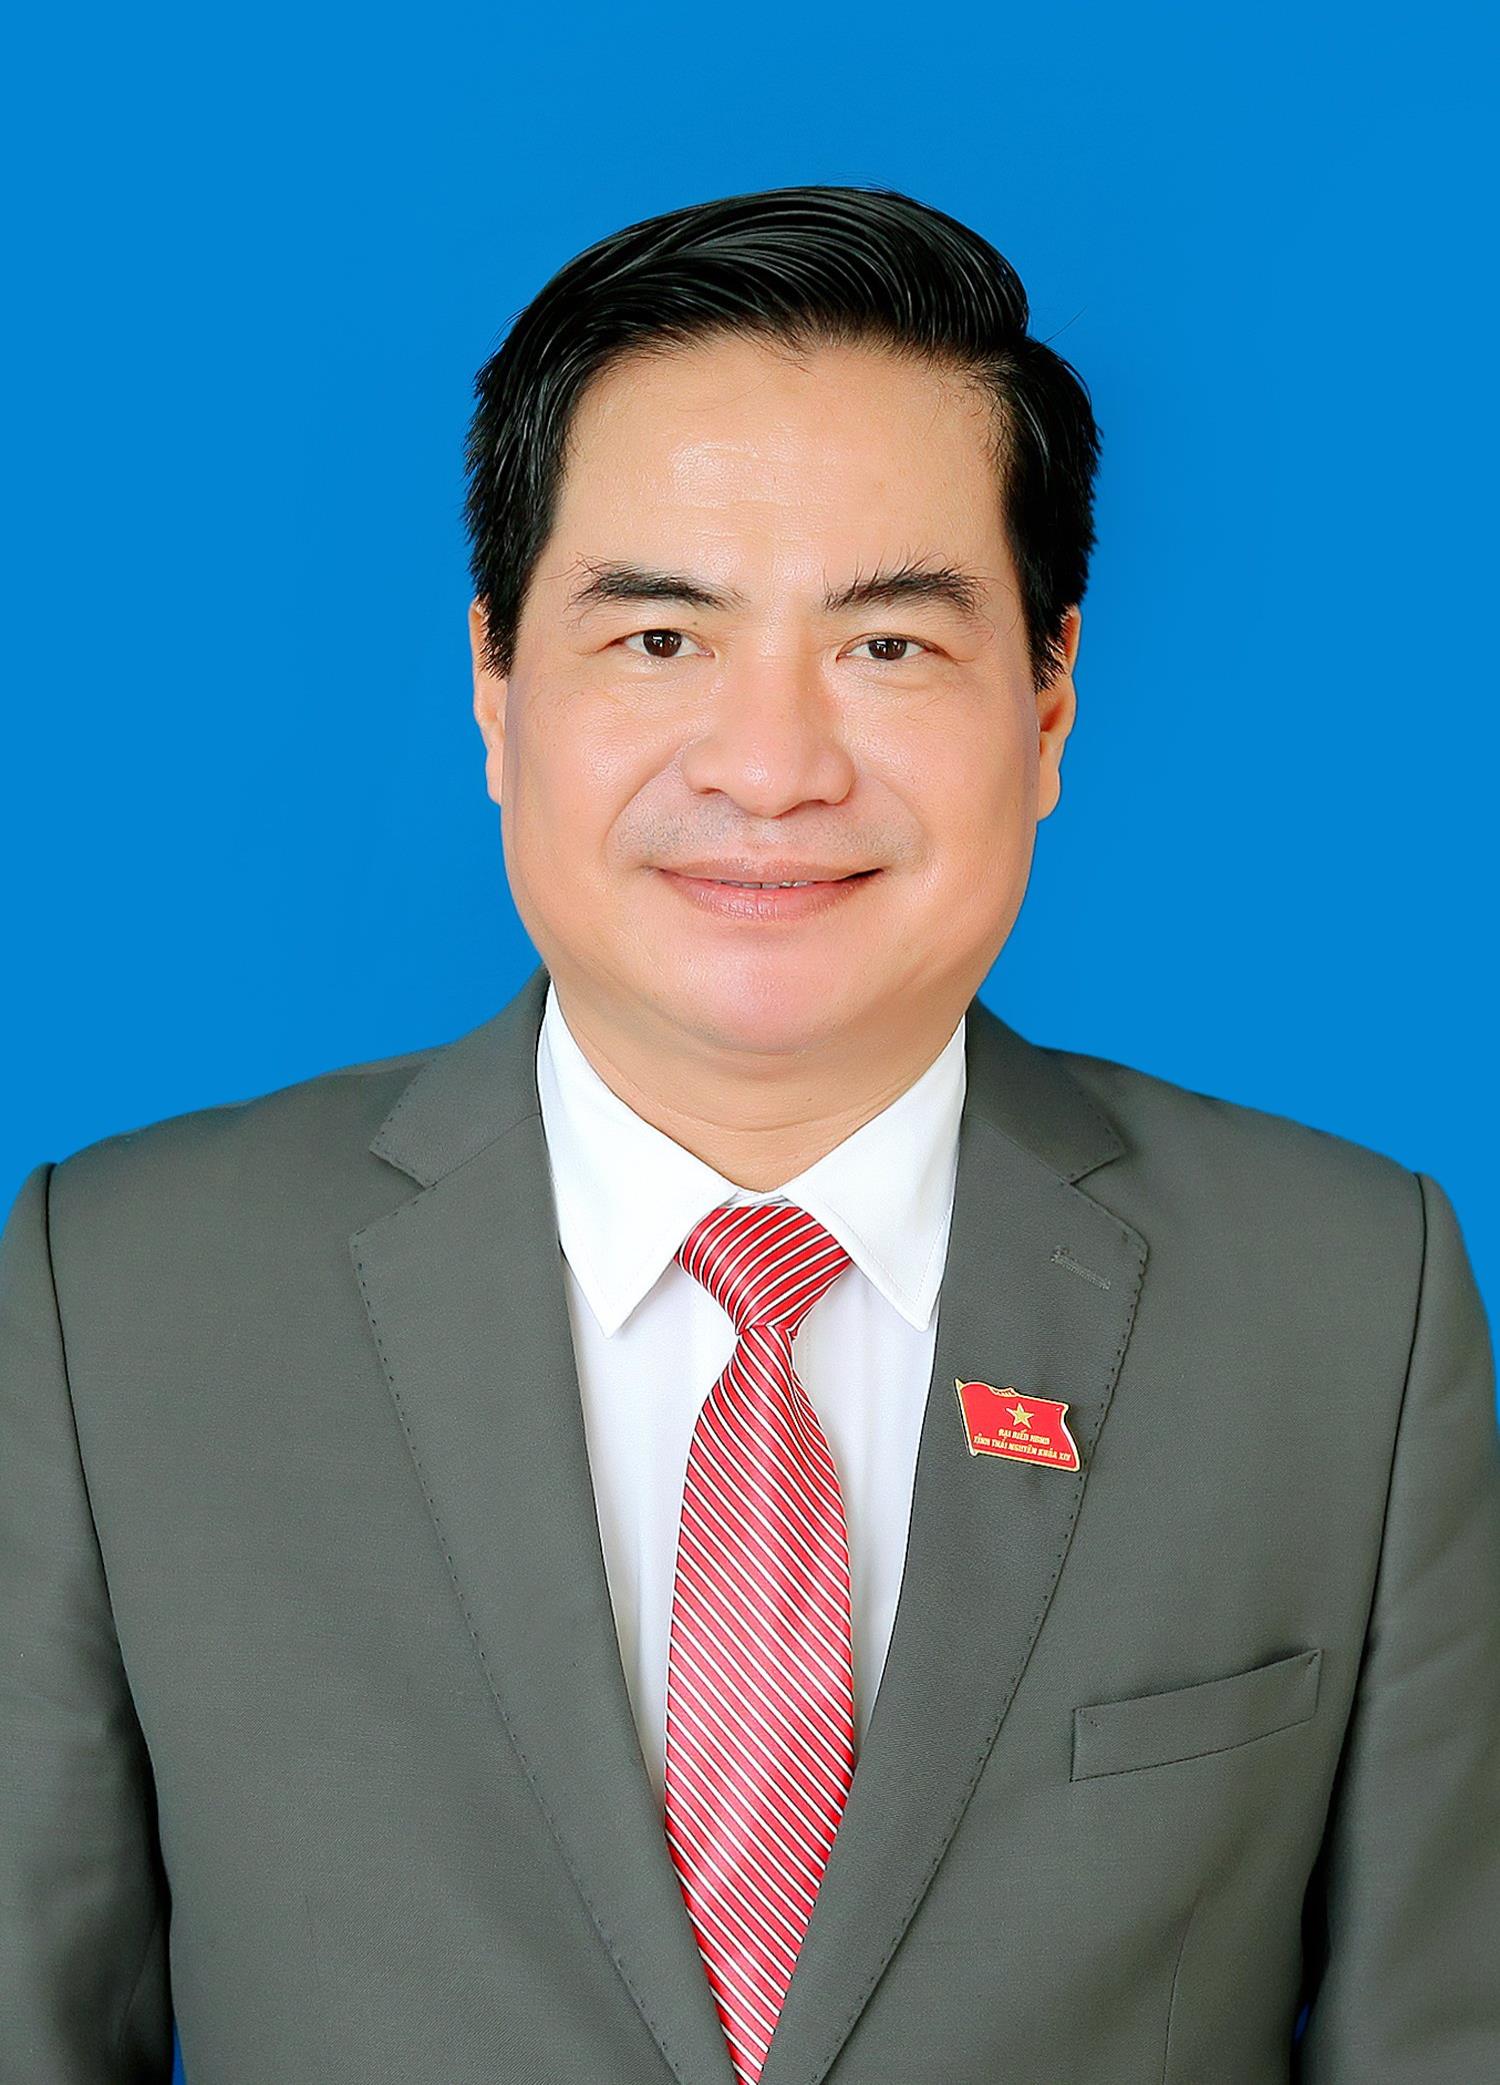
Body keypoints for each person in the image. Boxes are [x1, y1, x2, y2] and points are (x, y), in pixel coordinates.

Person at [2, 183, 1496, 2085]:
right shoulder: (118, 1300)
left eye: (889, 646)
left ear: (1049, 697)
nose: (771, 767)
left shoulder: (1346, 1305)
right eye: (659, 638)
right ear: (495, 681)